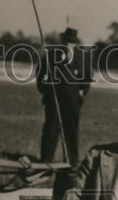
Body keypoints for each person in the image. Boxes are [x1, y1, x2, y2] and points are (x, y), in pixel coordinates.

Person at [37, 27, 92, 164]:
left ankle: (71, 162)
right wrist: (45, 89)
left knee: (71, 131)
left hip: (73, 99)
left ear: (76, 43)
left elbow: (87, 76)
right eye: (67, 41)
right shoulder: (51, 54)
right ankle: (46, 161)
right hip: (54, 97)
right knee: (51, 130)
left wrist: (82, 91)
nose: (68, 44)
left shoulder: (82, 56)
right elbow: (40, 73)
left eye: (72, 42)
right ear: (62, 40)